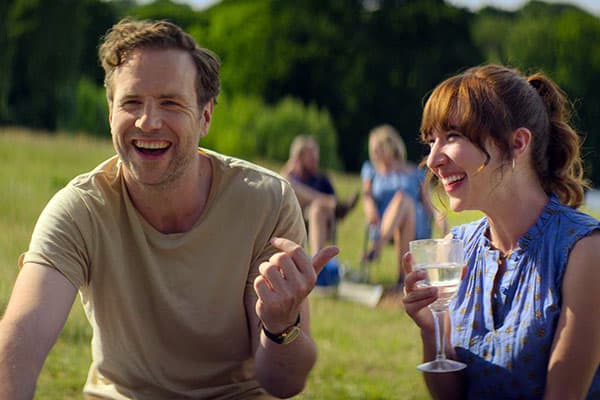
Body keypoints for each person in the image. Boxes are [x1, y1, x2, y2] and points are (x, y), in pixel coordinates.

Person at [0, 18, 338, 399]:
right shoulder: (80, 209)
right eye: (131, 102)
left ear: (205, 115)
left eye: (170, 102)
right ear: (111, 113)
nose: (148, 121)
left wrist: (280, 326)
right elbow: (17, 346)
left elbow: (284, 383)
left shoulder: (266, 201)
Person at [403, 64, 600, 399]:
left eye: (452, 136)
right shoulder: (456, 248)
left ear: (518, 143)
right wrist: (431, 329)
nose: (433, 159)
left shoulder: (585, 252)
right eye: (431, 141)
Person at [361, 124, 447, 287]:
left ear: (391, 147)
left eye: (379, 147)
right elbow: (367, 196)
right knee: (403, 202)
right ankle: (402, 278)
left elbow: (428, 203)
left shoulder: (414, 172)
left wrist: (440, 219)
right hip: (381, 221)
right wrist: (370, 208)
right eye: (373, 149)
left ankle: (377, 249)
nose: (376, 153)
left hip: (416, 224)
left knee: (404, 201)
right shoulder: (371, 171)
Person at [281, 135, 358, 256]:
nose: (315, 158)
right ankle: (338, 204)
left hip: (319, 221)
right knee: (289, 186)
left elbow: (331, 210)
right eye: (310, 154)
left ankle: (316, 261)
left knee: (317, 207)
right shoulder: (291, 178)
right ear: (299, 157)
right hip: (294, 218)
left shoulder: (322, 179)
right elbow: (280, 187)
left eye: (316, 154)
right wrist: (291, 164)